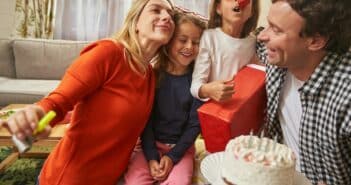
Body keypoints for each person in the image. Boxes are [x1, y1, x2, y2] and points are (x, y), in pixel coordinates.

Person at [0, 0, 175, 184]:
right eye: (156, 10)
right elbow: (59, 101)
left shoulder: (150, 76)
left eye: (170, 15)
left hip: (110, 178)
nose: (166, 17)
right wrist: (36, 113)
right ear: (135, 21)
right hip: (70, 178)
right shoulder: (108, 53)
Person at [256, 0, 351, 184]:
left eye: (276, 30)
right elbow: (250, 41)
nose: (263, 36)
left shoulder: (346, 98)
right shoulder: (279, 57)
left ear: (315, 41)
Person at [124, 8, 207, 185]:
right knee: (134, 182)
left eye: (196, 42)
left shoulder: (199, 82)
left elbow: (194, 126)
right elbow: (145, 121)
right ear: (168, 41)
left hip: (181, 150)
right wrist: (152, 157)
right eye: (183, 40)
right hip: (148, 147)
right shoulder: (152, 76)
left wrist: (172, 157)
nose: (189, 47)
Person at [190, 0, 260, 102]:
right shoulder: (209, 37)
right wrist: (208, 90)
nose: (239, 2)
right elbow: (195, 86)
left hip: (240, 108)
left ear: (252, 11)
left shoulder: (254, 44)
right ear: (218, 8)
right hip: (212, 109)